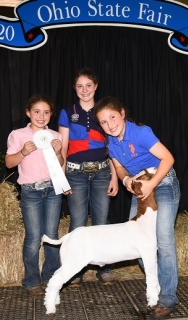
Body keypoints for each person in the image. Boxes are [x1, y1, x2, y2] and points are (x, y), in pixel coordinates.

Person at [94, 96, 180, 320]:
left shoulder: (141, 132)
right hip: (140, 186)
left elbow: (168, 158)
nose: (110, 124)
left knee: (163, 240)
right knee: (137, 243)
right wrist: (125, 182)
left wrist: (152, 183)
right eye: (103, 122)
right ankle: (155, 288)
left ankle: (168, 297)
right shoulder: (111, 142)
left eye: (112, 117)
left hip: (162, 182)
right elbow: (120, 169)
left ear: (122, 113)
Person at [58, 67, 119, 287]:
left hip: (102, 171)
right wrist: (61, 177)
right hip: (75, 173)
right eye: (80, 86)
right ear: (75, 88)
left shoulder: (104, 112)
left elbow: (111, 146)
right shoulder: (67, 112)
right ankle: (75, 270)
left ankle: (105, 268)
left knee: (101, 222)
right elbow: (63, 147)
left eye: (89, 85)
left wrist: (114, 177)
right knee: (78, 222)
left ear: (96, 86)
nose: (85, 90)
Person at [5, 94, 64, 296]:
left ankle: (51, 277)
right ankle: (31, 280)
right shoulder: (18, 135)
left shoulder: (56, 136)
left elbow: (60, 164)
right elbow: (9, 163)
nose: (41, 116)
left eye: (46, 112)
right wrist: (22, 152)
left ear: (51, 115)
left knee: (52, 235)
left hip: (52, 191)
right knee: (33, 237)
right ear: (28, 113)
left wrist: (58, 153)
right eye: (37, 111)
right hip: (30, 192)